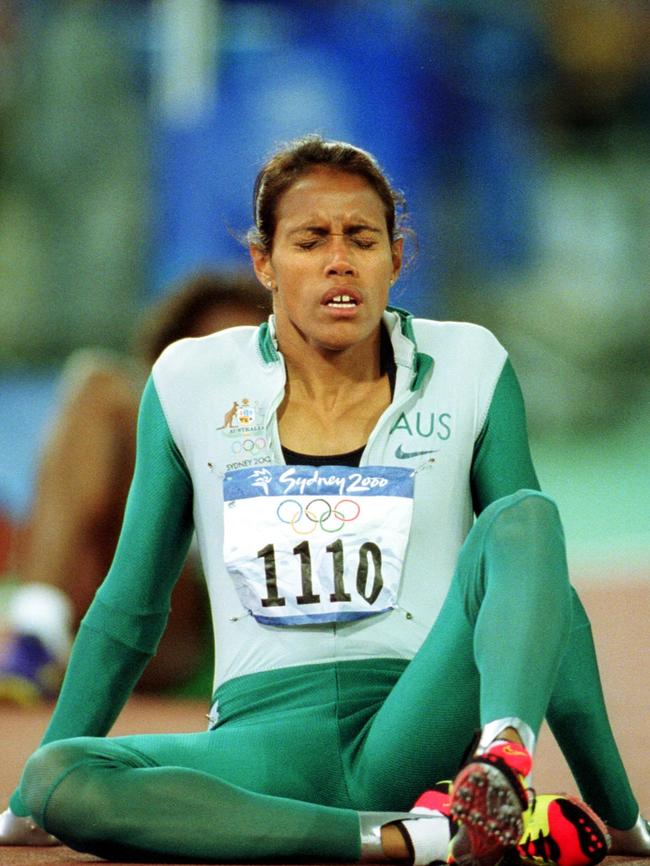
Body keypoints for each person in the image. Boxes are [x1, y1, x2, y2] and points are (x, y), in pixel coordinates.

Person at [1, 135, 648, 864]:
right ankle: (419, 839)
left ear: (396, 259)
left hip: (414, 722)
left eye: (362, 238)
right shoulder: (187, 380)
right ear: (265, 263)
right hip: (261, 744)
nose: (339, 259)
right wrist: (32, 800)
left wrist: (621, 815)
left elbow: (543, 592)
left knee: (525, 516)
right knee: (61, 775)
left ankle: (501, 766)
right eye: (311, 240)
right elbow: (131, 605)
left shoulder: (471, 365)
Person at [0, 272, 271, 700]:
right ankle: (36, 633)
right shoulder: (138, 421)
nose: (226, 373)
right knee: (96, 381)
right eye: (207, 355)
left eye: (243, 353)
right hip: (99, 600)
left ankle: (39, 639)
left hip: (199, 633)